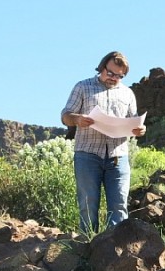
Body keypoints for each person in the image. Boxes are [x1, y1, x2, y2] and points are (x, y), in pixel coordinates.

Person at [61, 51, 146, 235]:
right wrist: (77, 119)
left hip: (118, 156)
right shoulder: (82, 87)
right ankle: (87, 244)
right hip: (87, 154)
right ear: (102, 68)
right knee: (88, 204)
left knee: (119, 205)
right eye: (110, 73)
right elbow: (65, 116)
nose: (114, 78)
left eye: (119, 76)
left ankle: (116, 247)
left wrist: (139, 130)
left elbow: (133, 121)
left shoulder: (128, 94)